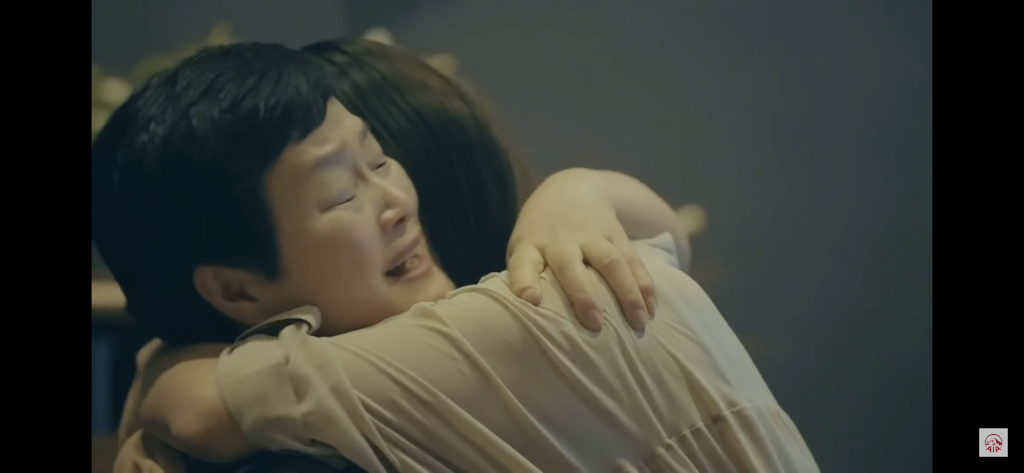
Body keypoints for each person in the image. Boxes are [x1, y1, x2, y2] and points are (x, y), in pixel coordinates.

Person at [98, 40, 665, 472]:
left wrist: (576, 192)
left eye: (380, 160)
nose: (398, 203)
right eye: (341, 194)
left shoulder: (517, 314)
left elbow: (197, 410)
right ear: (236, 290)